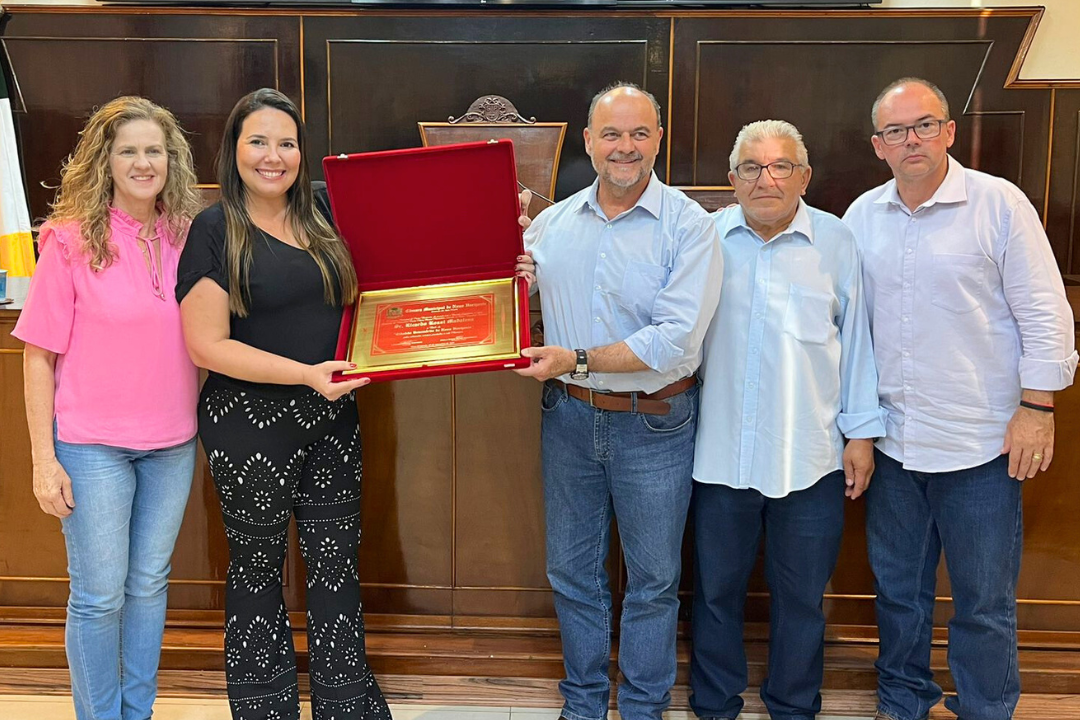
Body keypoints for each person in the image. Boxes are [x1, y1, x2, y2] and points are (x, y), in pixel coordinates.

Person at [178, 87, 535, 720]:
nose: (273, 156)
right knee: (257, 571)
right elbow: (207, 346)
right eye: (257, 141)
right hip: (249, 425)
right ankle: (266, 709)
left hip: (332, 416)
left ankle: (345, 705)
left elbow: (415, 259)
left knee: (336, 568)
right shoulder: (214, 228)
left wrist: (501, 258)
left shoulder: (325, 210)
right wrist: (306, 376)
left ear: (301, 152)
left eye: (286, 143)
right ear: (233, 149)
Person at [842, 77, 1077, 720]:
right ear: (878, 146)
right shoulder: (861, 217)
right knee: (898, 594)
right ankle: (904, 699)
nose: (910, 139)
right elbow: (849, 329)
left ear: (948, 132)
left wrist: (1037, 409)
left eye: (924, 125)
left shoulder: (999, 205)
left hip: (983, 444)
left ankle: (986, 706)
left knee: (983, 600)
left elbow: (1044, 311)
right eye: (896, 130)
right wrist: (858, 430)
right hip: (893, 443)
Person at [517, 82, 723, 720]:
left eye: (639, 133)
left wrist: (575, 358)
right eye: (611, 134)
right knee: (572, 573)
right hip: (568, 418)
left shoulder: (691, 227)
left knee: (654, 583)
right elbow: (524, 312)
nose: (625, 147)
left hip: (655, 425)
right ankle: (582, 703)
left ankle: (641, 706)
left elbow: (673, 341)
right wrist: (511, 278)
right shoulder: (551, 226)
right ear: (588, 142)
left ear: (659, 139)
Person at [14, 96, 203, 720]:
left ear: (171, 160)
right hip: (91, 445)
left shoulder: (188, 235)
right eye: (129, 151)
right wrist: (45, 459)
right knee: (98, 596)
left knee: (148, 586)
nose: (143, 163)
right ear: (106, 160)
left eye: (155, 150)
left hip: (172, 443)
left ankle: (136, 713)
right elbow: (38, 355)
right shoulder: (66, 241)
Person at [690, 119, 884, 720]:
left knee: (801, 597)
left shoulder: (836, 241)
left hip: (812, 456)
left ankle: (794, 706)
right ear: (732, 180)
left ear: (803, 176)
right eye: (751, 167)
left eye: (780, 167)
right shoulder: (703, 238)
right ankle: (714, 704)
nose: (765, 179)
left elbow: (858, 343)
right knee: (715, 593)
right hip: (719, 453)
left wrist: (862, 435)